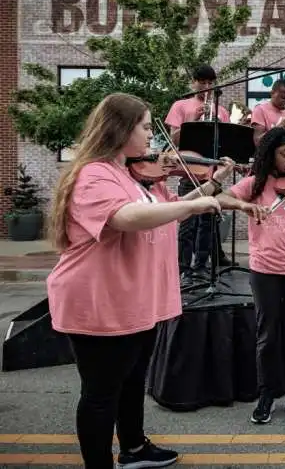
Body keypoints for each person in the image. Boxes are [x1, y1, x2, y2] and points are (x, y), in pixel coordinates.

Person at [47, 93, 225, 469]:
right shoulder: (94, 174)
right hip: (100, 301)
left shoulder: (128, 173)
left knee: (131, 381)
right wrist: (194, 206)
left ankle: (134, 448)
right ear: (121, 129)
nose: (151, 136)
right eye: (145, 126)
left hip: (132, 300)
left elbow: (157, 214)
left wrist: (209, 188)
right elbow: (125, 217)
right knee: (100, 394)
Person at [215, 128, 285, 425]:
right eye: (284, 154)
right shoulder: (255, 183)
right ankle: (267, 392)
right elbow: (221, 198)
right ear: (270, 153)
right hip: (264, 269)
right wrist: (245, 205)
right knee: (267, 333)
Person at [164, 64, 232, 286]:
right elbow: (173, 139)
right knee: (187, 224)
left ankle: (200, 267)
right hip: (190, 172)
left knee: (207, 225)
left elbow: (226, 142)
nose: (206, 87)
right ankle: (183, 269)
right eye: (202, 82)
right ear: (193, 83)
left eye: (210, 83)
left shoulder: (221, 110)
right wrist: (193, 119)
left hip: (213, 174)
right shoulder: (181, 105)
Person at [251, 78, 285, 144]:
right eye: (283, 97)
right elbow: (257, 141)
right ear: (272, 93)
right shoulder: (260, 109)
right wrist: (281, 125)